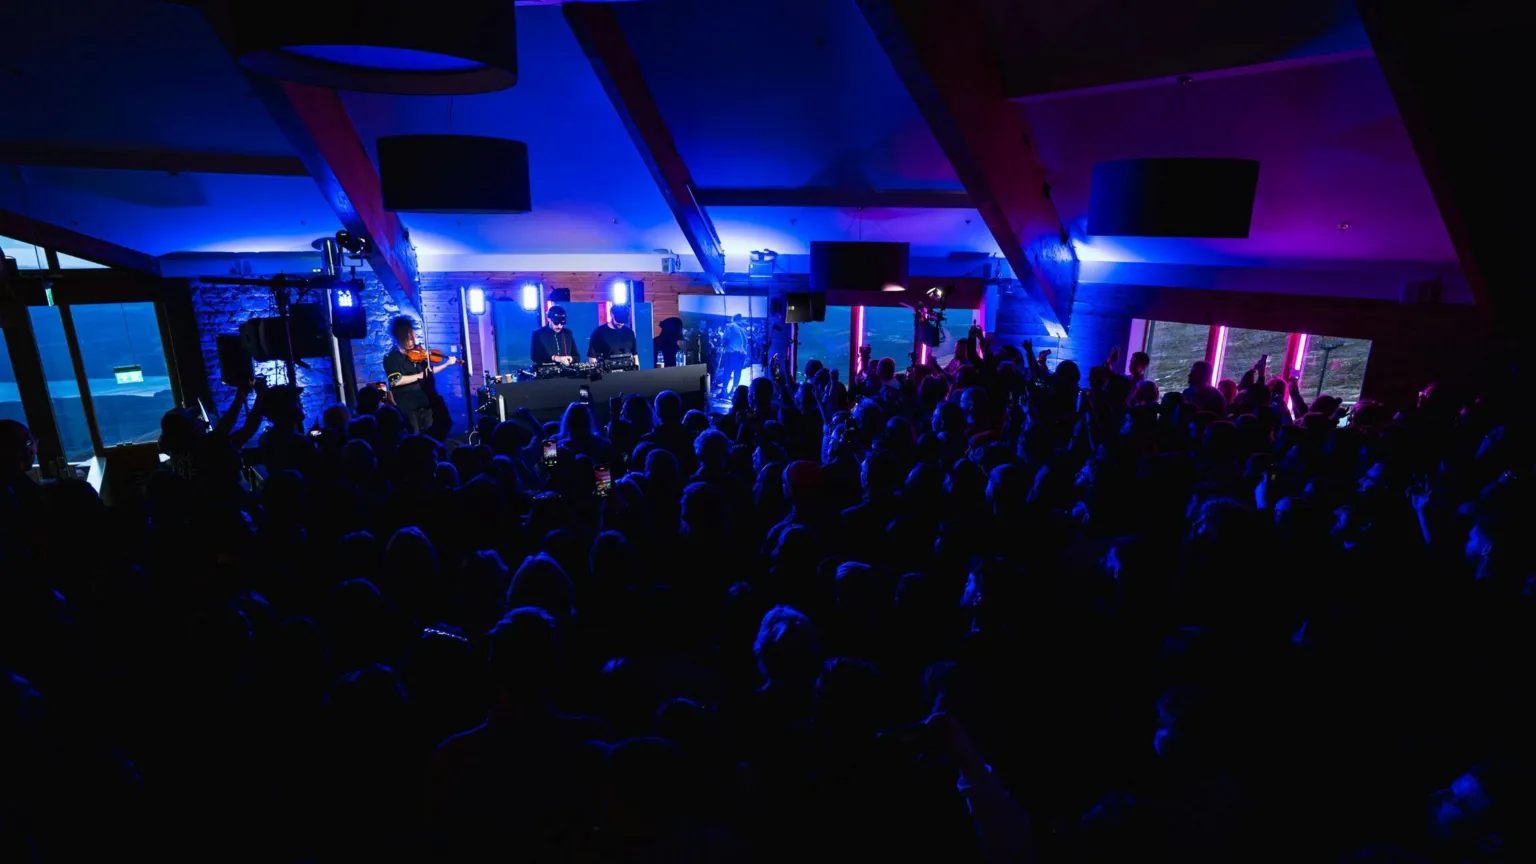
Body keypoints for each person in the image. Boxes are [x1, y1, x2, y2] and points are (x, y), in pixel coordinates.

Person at [384, 316, 457, 435]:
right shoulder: (391, 358)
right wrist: (420, 375)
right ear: (398, 338)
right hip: (407, 405)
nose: (413, 341)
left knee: (433, 434)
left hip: (425, 402)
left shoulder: (418, 353)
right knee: (413, 435)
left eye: (413, 337)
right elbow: (396, 380)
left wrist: (446, 364)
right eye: (409, 338)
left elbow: (428, 371)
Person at [717, 314, 748, 395]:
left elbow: (725, 339)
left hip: (732, 353)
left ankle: (724, 391)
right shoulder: (743, 330)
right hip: (741, 355)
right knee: (737, 372)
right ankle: (733, 391)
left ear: (733, 319)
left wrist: (723, 346)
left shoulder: (730, 326)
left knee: (727, 371)